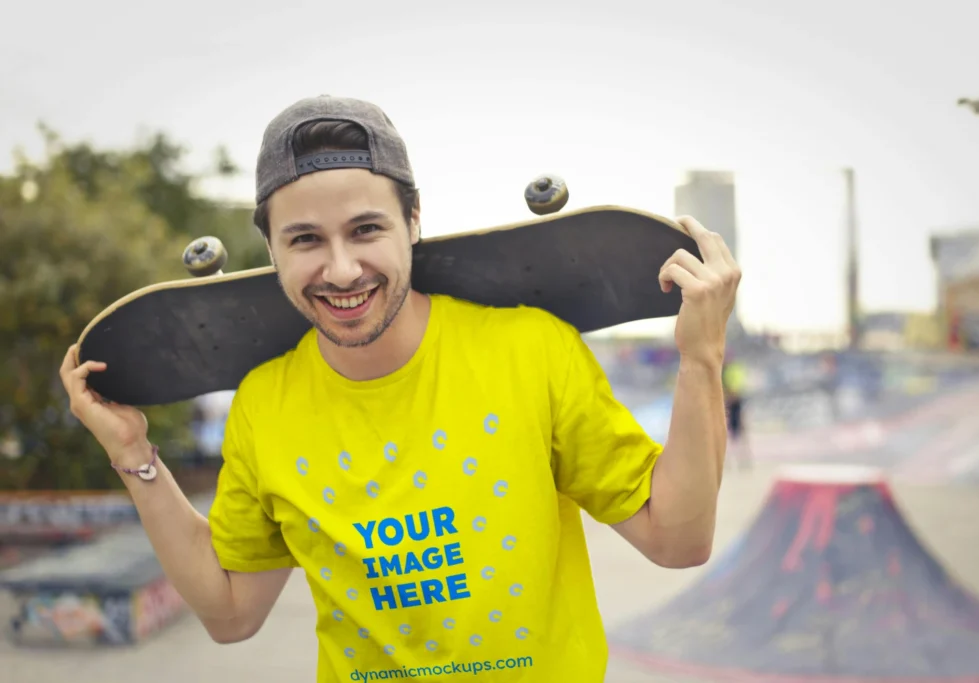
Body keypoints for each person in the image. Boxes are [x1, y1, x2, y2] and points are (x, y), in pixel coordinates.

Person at [59, 95, 742, 682]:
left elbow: (677, 540)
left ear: (413, 220)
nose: (342, 268)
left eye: (366, 229)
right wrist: (134, 456)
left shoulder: (529, 350)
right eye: (305, 240)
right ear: (271, 249)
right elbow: (232, 613)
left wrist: (701, 358)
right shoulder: (265, 405)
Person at [722, 353, 753, 469]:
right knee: (731, 432)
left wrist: (731, 394)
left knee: (738, 432)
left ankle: (742, 459)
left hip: (734, 403)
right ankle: (735, 460)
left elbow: (736, 387)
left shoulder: (731, 370)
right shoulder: (725, 370)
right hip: (730, 403)